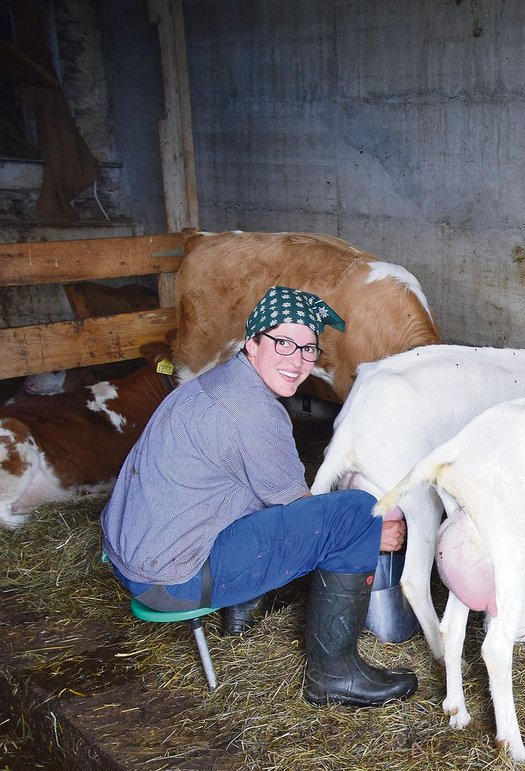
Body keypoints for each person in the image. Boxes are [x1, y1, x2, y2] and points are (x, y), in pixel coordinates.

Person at [101, 285, 417, 707]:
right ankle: (335, 676)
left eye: (308, 349)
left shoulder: (213, 383)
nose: (297, 360)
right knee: (354, 514)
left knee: (252, 492)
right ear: (251, 343)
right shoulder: (252, 412)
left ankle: (241, 609)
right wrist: (370, 535)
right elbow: (303, 513)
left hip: (131, 555)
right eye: (283, 343)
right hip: (170, 579)